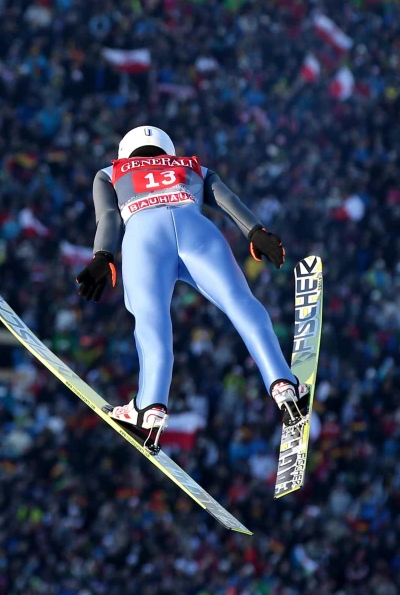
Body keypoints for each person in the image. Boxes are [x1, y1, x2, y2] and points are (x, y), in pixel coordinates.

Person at [76, 126, 304, 448]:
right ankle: (283, 384)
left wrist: (103, 256)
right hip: (196, 229)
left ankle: (150, 408)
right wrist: (256, 231)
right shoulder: (192, 166)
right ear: (167, 150)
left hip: (144, 236)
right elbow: (228, 200)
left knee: (151, 321)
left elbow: (109, 216)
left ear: (125, 152)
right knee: (241, 303)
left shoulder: (109, 172)